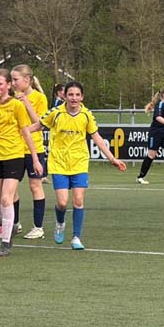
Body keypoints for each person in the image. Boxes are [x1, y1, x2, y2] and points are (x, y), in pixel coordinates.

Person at [25, 81, 125, 250]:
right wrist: (23, 134)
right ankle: (60, 223)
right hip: (59, 163)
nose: (74, 98)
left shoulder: (86, 115)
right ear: (65, 96)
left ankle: (76, 237)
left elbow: (97, 138)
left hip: (79, 162)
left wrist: (112, 158)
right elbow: (33, 128)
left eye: (77, 95)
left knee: (78, 200)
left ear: (82, 97)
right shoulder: (55, 113)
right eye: (71, 94)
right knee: (62, 202)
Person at [0, 68, 42, 257]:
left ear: (8, 85)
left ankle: (6, 241)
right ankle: (9, 225)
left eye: (0, 84)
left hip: (14, 156)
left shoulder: (16, 105)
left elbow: (26, 132)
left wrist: (35, 159)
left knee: (6, 198)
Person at [12, 64, 49, 239]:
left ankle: (38, 227)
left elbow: (40, 123)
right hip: (15, 149)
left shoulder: (39, 98)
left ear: (27, 79)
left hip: (35, 148)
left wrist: (27, 104)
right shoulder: (11, 98)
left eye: (16, 79)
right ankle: (15, 223)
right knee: (11, 187)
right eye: (11, 80)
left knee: (35, 186)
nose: (13, 83)